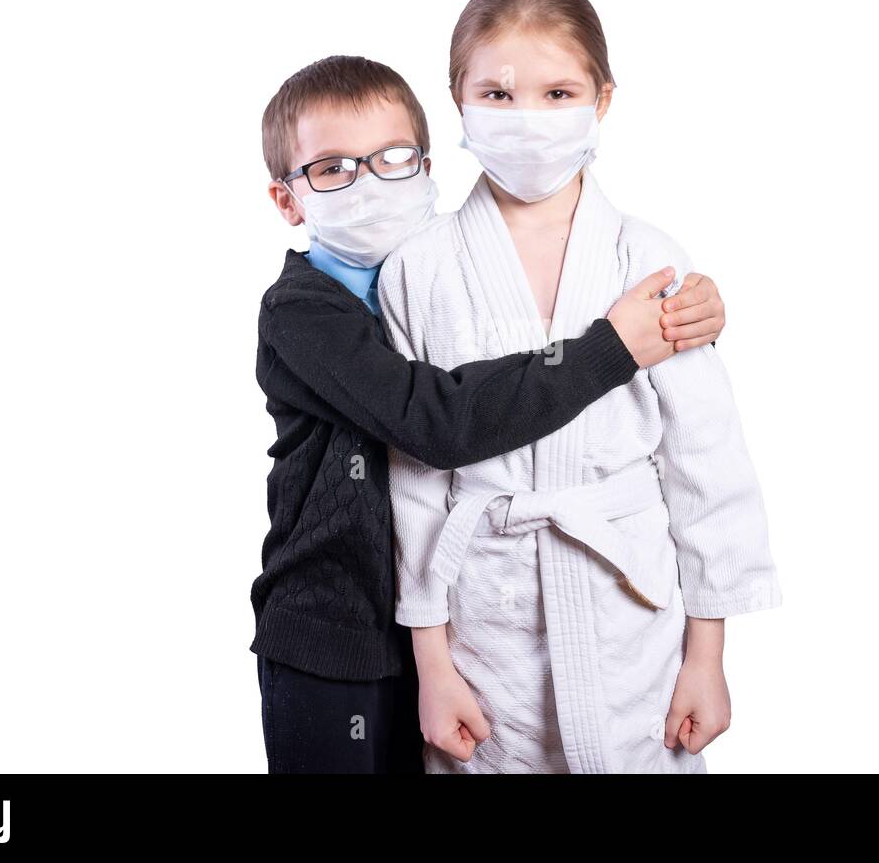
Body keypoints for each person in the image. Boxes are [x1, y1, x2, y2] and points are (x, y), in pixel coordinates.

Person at [252, 54, 728, 772]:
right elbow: (438, 421)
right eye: (331, 169)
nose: (369, 185)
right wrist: (611, 349)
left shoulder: (439, 270)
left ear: (426, 164)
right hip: (335, 638)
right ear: (288, 199)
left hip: (448, 625)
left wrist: (689, 315)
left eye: (392, 158)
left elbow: (533, 332)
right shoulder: (299, 312)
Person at [381, 0, 783, 773]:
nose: (527, 116)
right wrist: (431, 663)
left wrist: (707, 655)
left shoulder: (650, 260)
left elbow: (705, 468)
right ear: (457, 99)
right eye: (496, 94)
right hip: (484, 631)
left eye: (558, 94)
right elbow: (414, 482)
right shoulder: (418, 270)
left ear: (602, 100)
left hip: (632, 628)